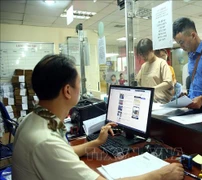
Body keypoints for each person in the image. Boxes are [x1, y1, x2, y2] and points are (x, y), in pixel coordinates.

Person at [12, 54, 184, 180]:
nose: (80, 88)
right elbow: (55, 151)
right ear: (67, 91)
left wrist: (97, 143)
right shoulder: (46, 141)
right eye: (79, 84)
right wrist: (160, 174)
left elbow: (64, 152)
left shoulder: (31, 120)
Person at [136, 38, 173, 104]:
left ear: (152, 50)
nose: (144, 57)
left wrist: (153, 89)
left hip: (161, 102)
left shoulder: (162, 63)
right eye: (141, 55)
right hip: (147, 101)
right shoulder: (144, 66)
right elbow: (138, 81)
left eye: (146, 54)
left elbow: (168, 82)